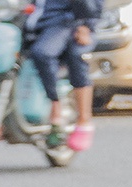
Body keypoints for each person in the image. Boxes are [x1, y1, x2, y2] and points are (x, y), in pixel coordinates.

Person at [27, 0, 101, 151]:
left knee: (56, 54)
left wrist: (86, 25)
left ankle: (78, 119)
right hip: (31, 20)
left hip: (66, 21)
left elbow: (92, 6)